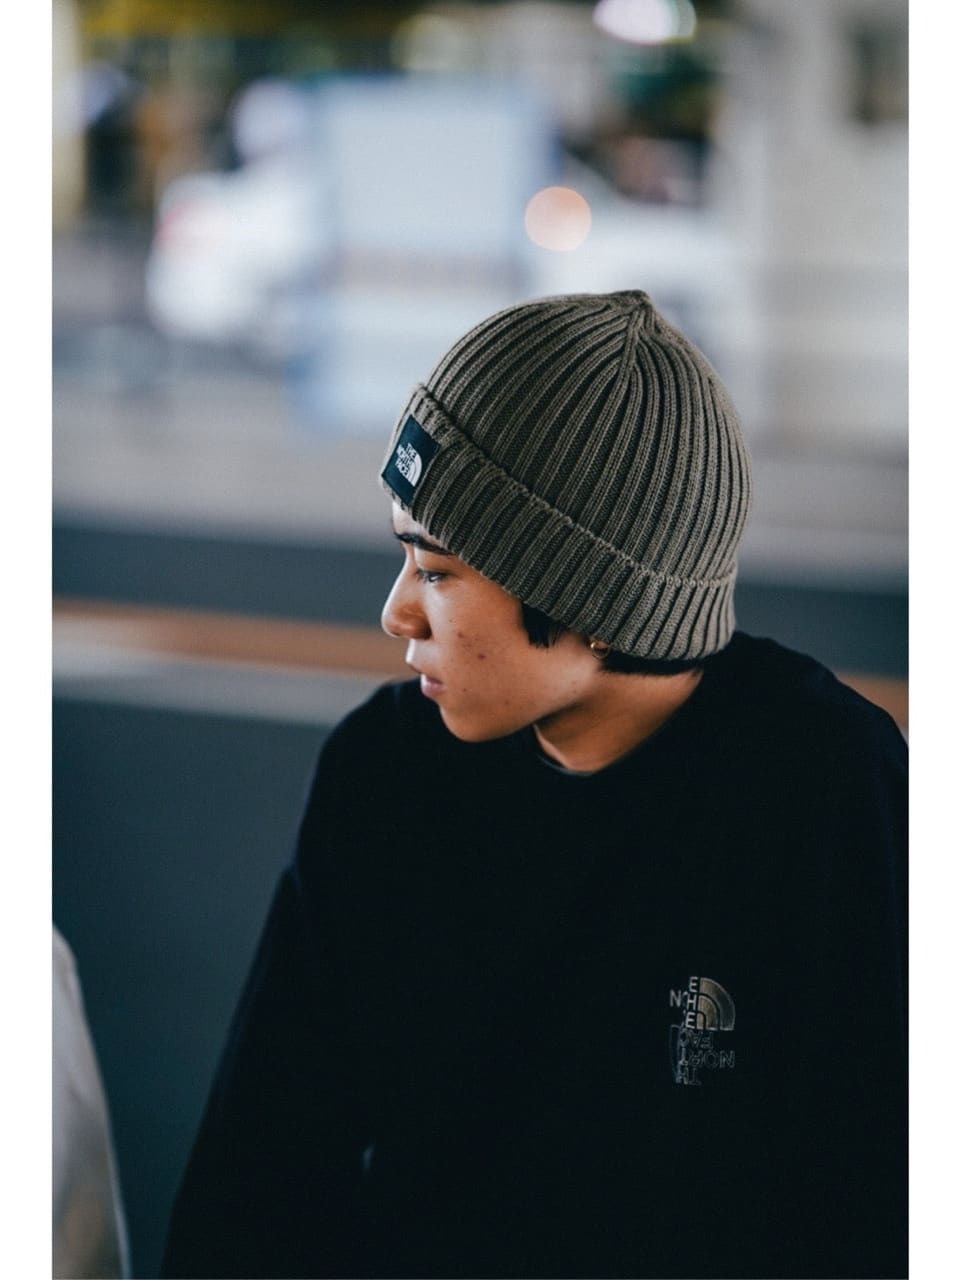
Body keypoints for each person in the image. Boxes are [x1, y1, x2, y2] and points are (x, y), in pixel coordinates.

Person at [161, 291, 906, 1279]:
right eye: (404, 556)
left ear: (586, 595)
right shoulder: (383, 774)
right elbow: (258, 1181)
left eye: (438, 571)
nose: (396, 613)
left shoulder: (827, 793)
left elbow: (880, 1203)